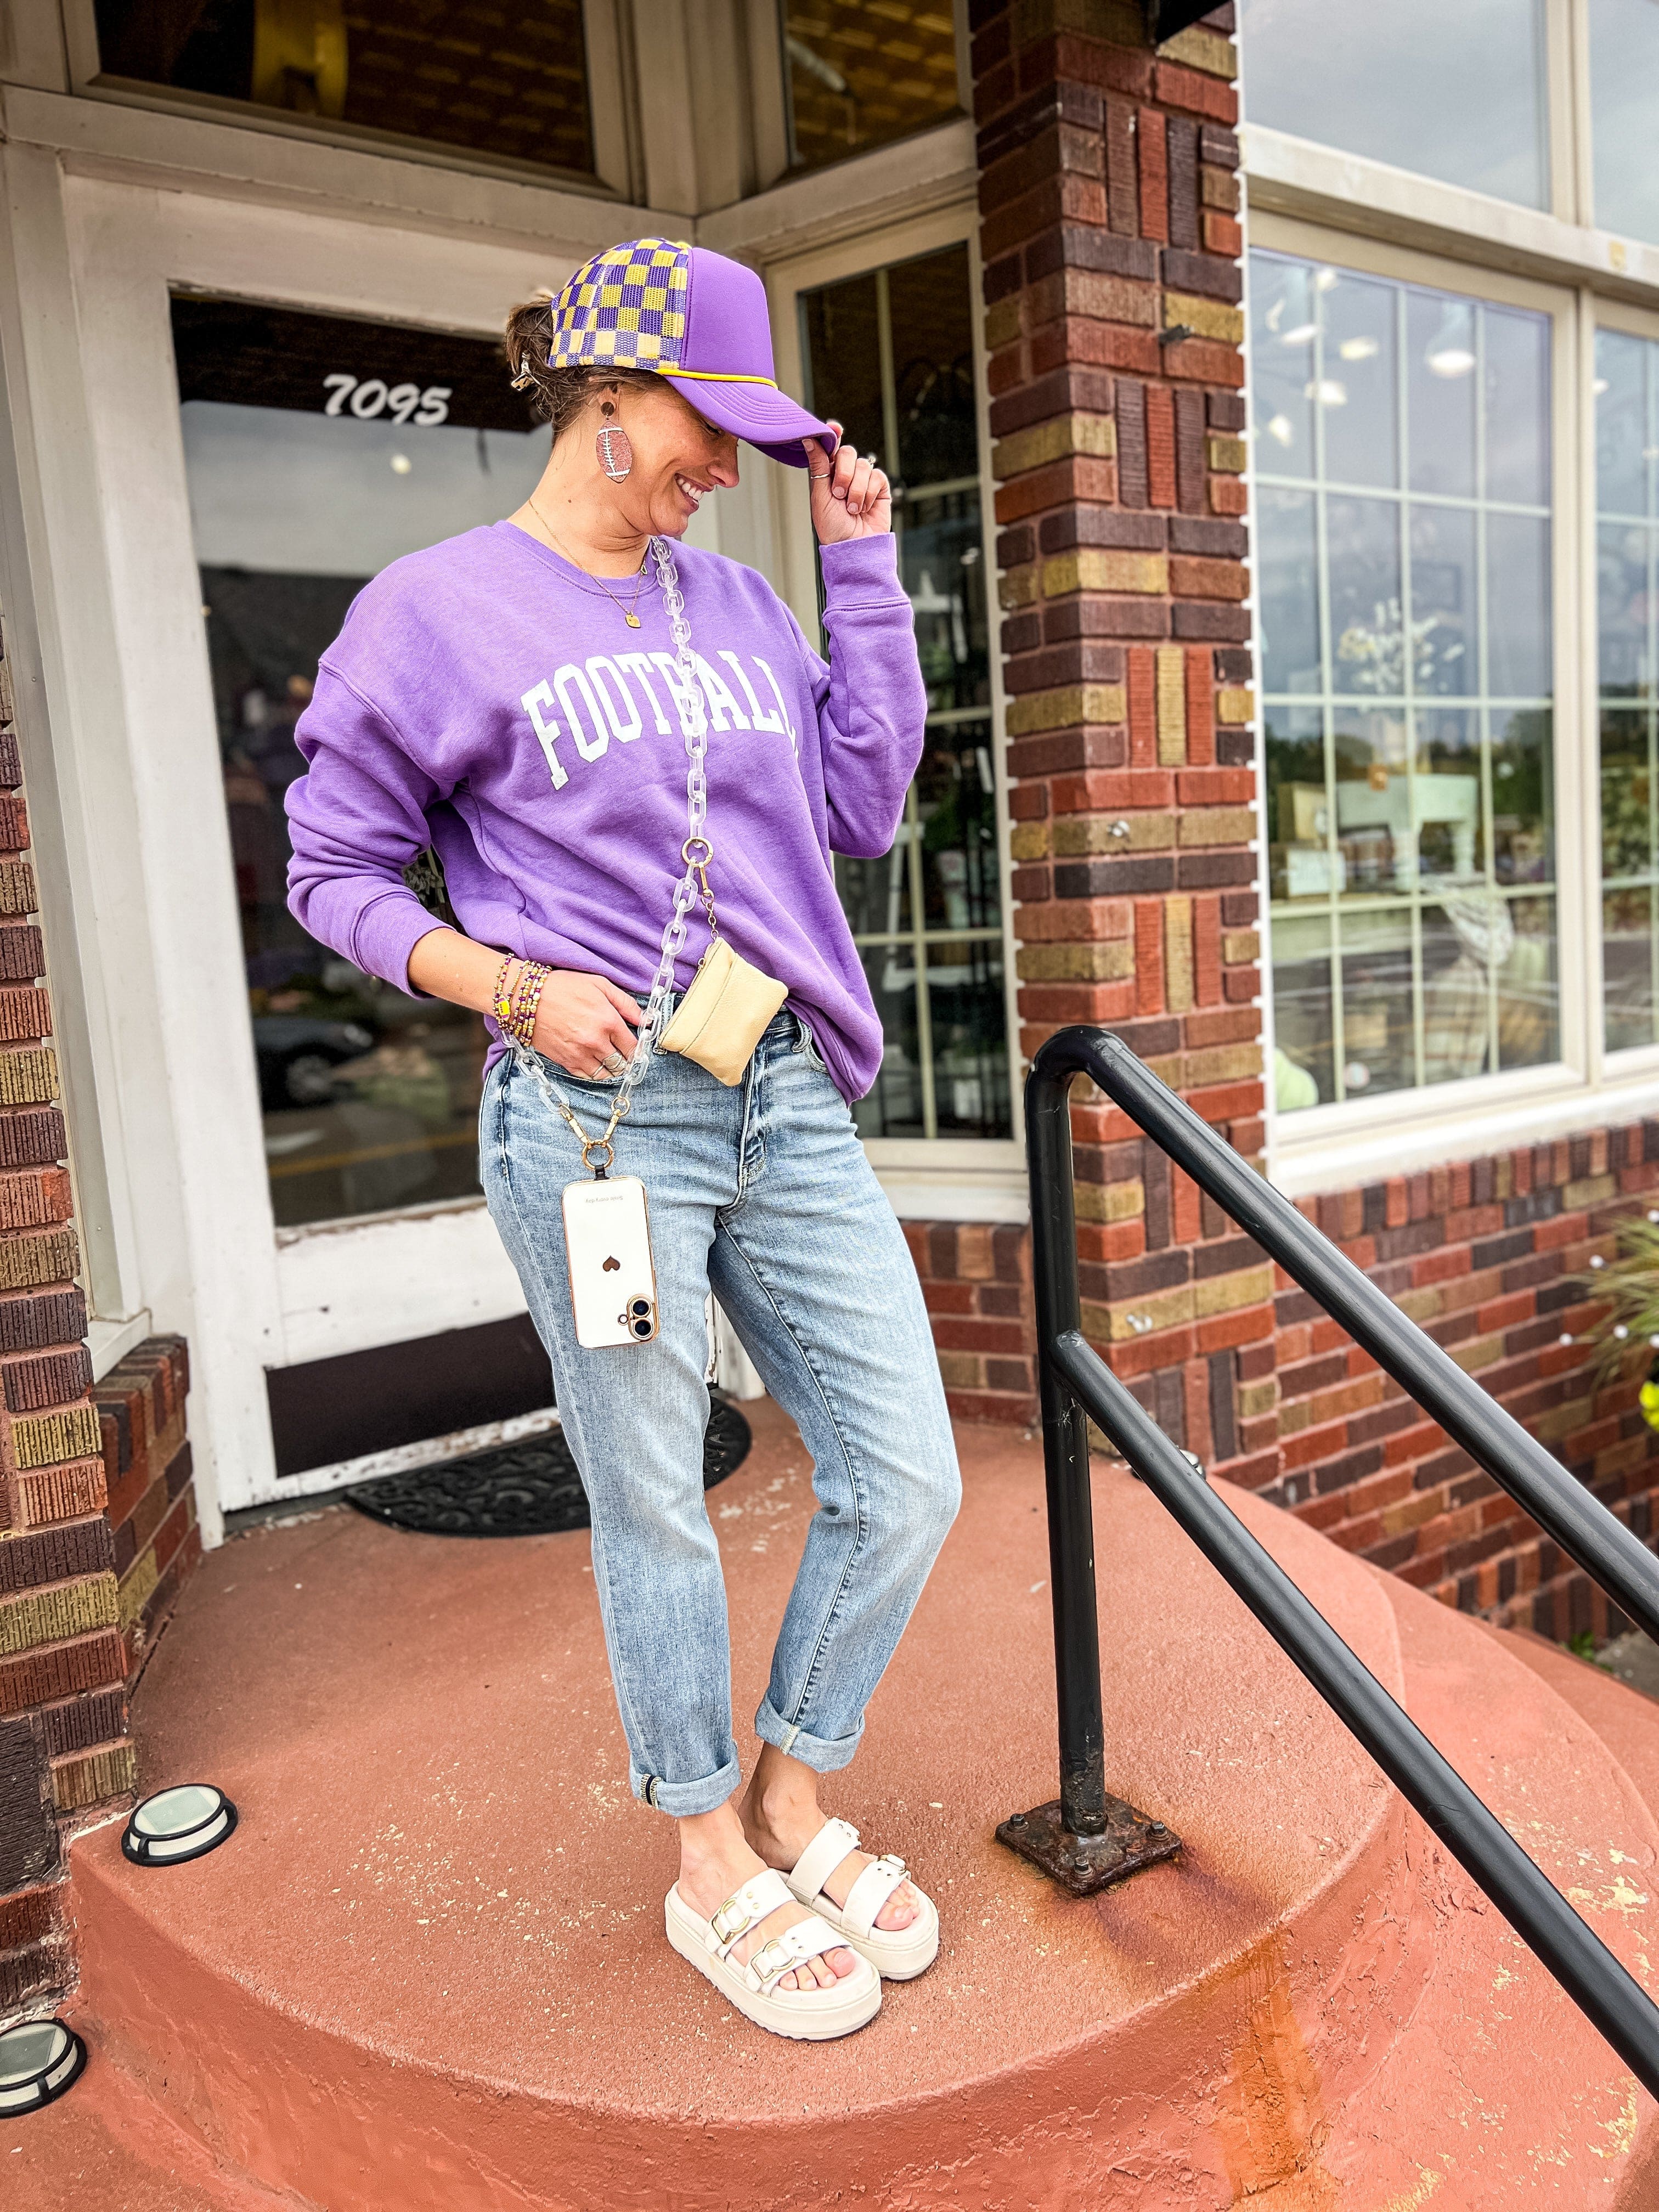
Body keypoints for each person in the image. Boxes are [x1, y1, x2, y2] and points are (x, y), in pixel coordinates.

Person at [285, 238, 961, 2041]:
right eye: (709, 430)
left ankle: (796, 1793)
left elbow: (866, 810)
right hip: (599, 1122)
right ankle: (705, 1863)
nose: (726, 468)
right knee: (656, 1493)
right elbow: (332, 875)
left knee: (909, 1471)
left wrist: (860, 572)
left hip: (784, 1090)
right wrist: (502, 982)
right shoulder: (433, 611)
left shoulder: (735, 601)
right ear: (608, 401)